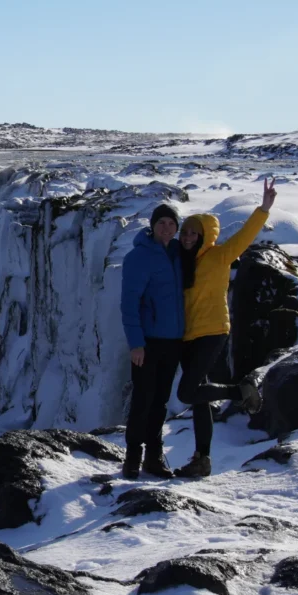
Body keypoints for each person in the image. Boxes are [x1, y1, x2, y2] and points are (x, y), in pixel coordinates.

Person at [174, 178, 277, 478]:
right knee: (198, 398)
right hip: (186, 336)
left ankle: (239, 390)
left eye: (194, 232)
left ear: (205, 235)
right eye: (186, 231)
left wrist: (264, 209)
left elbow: (244, 237)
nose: (188, 236)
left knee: (187, 391)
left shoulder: (219, 256)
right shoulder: (180, 260)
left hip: (213, 330)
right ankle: (202, 459)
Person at [120, 203, 185, 479]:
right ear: (152, 226)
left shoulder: (179, 254)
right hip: (147, 341)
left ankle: (154, 456)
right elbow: (129, 302)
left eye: (171, 223)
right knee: (143, 398)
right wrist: (136, 343)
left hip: (173, 341)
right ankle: (132, 456)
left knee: (160, 400)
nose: (166, 228)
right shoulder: (139, 257)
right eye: (161, 223)